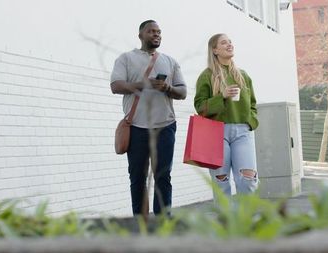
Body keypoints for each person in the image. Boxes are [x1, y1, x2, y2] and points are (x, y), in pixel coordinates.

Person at [110, 20, 187, 217]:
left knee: (163, 177)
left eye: (159, 32)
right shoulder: (126, 59)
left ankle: (163, 223)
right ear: (140, 35)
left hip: (165, 126)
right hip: (136, 127)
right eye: (151, 31)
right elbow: (116, 86)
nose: (156, 35)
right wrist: (144, 84)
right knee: (137, 177)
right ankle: (140, 223)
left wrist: (168, 88)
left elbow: (183, 91)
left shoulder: (170, 61)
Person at [194, 33, 259, 196]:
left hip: (242, 132)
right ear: (214, 50)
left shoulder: (243, 75)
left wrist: (250, 122)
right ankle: (226, 220)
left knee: (248, 179)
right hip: (216, 132)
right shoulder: (206, 76)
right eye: (224, 43)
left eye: (230, 42)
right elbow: (200, 107)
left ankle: (246, 219)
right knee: (220, 181)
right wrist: (221, 96)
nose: (229, 45)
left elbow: (253, 103)